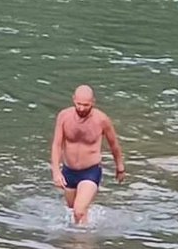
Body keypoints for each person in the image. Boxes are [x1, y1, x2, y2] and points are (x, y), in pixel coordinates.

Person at [49, 85, 125, 225]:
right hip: (69, 171)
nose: (82, 109)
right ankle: (80, 240)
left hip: (90, 171)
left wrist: (120, 167)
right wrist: (56, 171)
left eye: (86, 105)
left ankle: (82, 245)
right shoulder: (64, 116)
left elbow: (114, 144)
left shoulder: (102, 120)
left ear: (93, 102)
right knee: (74, 212)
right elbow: (57, 145)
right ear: (73, 100)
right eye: (79, 104)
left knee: (79, 210)